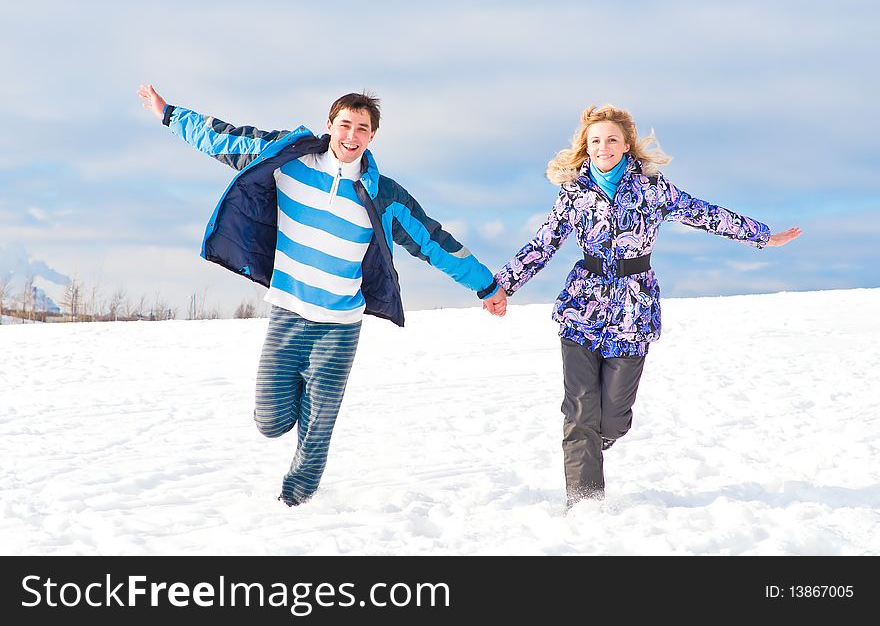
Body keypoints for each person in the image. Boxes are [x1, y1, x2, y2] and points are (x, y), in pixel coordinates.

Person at [137, 84, 507, 506]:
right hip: (288, 315)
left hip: (340, 328)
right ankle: (295, 402)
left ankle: (296, 510)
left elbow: (433, 240)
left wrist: (486, 284)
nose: (352, 135)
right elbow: (223, 137)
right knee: (270, 422)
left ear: (372, 137)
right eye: (345, 124)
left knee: (316, 435)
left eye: (362, 128)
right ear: (329, 126)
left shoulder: (383, 195)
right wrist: (169, 113)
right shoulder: (287, 160)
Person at [485, 104, 801, 508]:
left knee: (613, 417)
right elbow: (544, 242)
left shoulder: (653, 188)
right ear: (586, 146)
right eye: (595, 141)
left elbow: (704, 213)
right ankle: (585, 505)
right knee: (581, 411)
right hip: (583, 307)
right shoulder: (574, 193)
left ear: (627, 145)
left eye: (611, 139)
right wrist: (502, 285)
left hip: (633, 310)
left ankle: (599, 440)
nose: (603, 147)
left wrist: (762, 236)